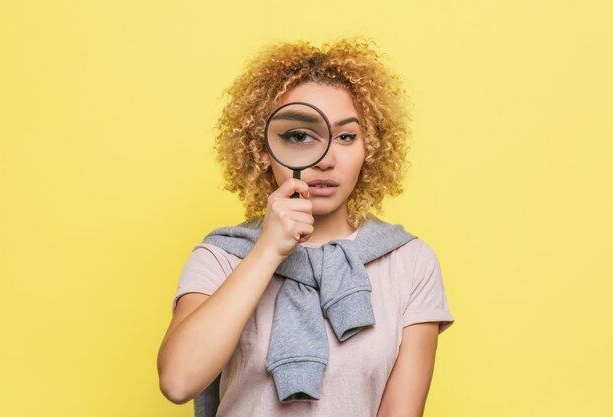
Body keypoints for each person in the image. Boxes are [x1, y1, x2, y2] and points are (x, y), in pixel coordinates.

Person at [157, 37, 455, 417]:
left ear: (371, 146)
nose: (326, 159)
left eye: (346, 136)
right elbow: (178, 381)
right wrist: (267, 250)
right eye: (299, 136)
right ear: (262, 148)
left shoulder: (410, 263)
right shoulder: (222, 257)